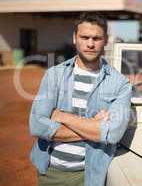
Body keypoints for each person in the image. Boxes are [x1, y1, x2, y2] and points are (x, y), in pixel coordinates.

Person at [29, 12, 132, 186]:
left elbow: (113, 134)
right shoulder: (54, 75)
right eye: (84, 37)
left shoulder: (120, 83)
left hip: (91, 176)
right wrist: (95, 127)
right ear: (75, 38)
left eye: (96, 38)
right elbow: (37, 126)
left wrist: (62, 116)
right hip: (51, 173)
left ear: (105, 40)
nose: (90, 44)